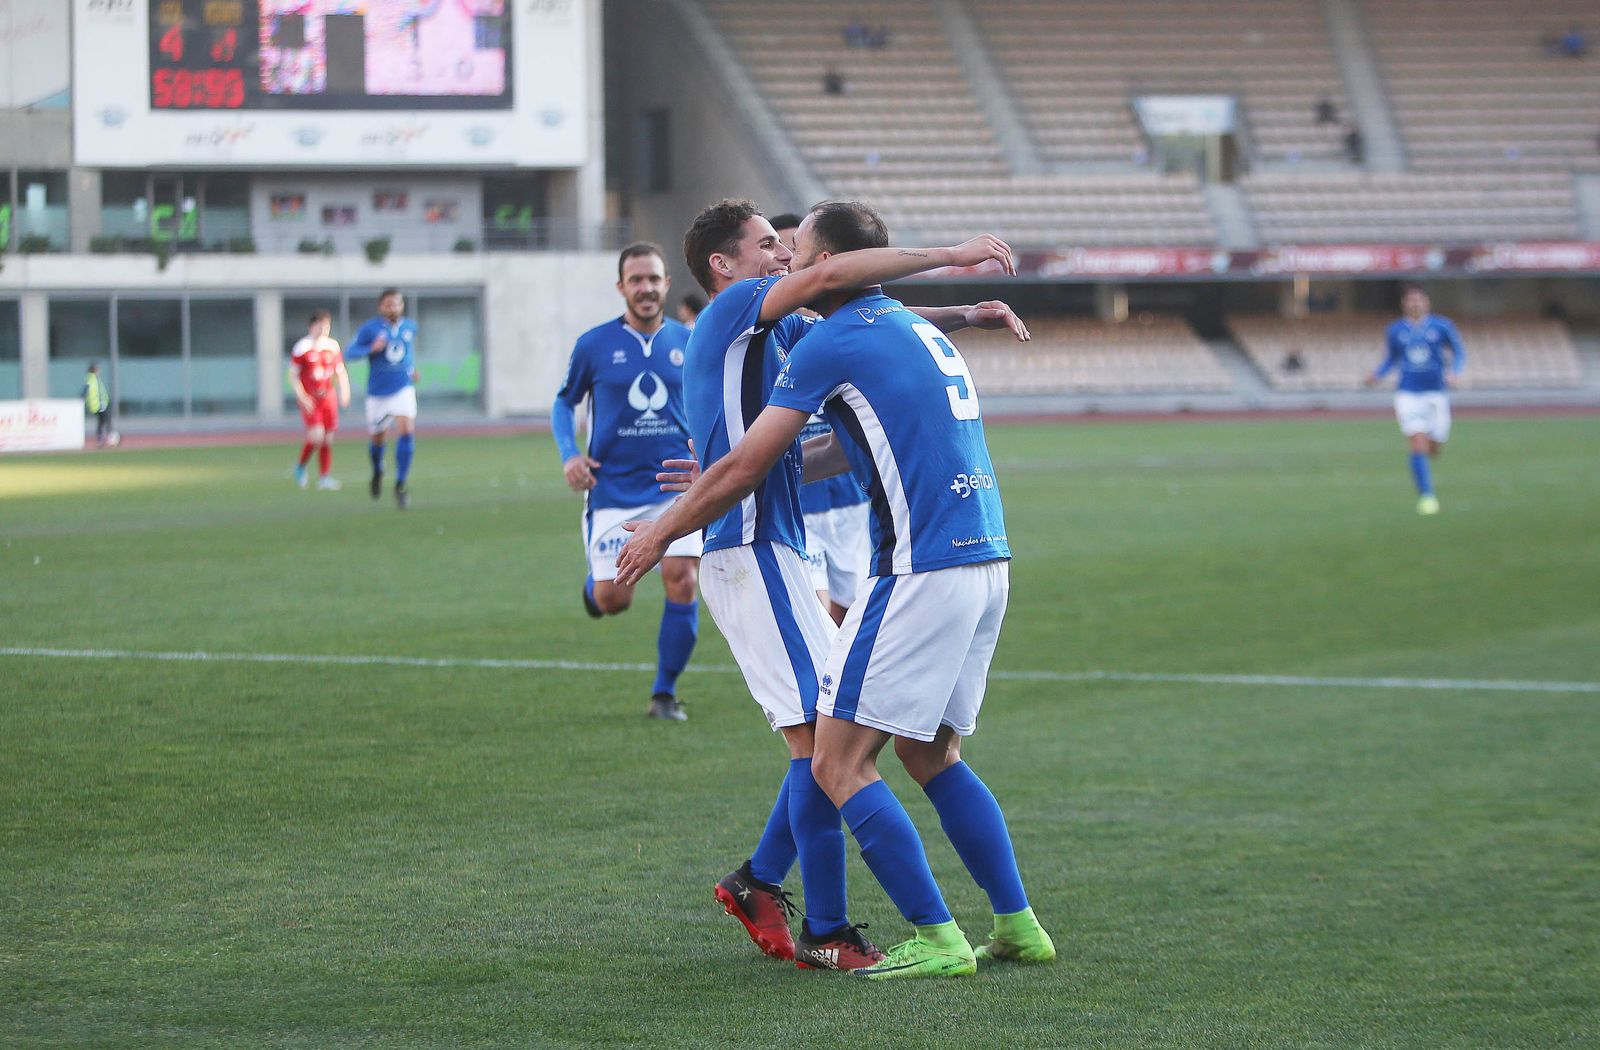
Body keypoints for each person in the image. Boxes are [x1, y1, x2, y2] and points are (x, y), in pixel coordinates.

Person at [621, 200, 1050, 980]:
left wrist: (713, 479)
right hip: (754, 546)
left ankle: (767, 886)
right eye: (768, 246)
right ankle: (821, 922)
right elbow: (846, 290)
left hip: (813, 545)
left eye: (794, 248)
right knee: (836, 748)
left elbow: (816, 428)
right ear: (724, 264)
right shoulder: (736, 310)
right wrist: (958, 271)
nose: (786, 258)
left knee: (841, 748)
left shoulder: (799, 331)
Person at [552, 243, 701, 722]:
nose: (646, 288)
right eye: (636, 280)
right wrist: (569, 455)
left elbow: (707, 403)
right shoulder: (594, 345)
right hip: (613, 491)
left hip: (675, 487)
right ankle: (594, 588)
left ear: (666, 284)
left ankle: (663, 694)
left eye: (654, 279)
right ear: (621, 287)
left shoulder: (690, 341)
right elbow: (562, 403)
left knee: (683, 579)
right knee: (613, 599)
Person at [769, 212, 868, 625]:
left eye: (796, 251)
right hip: (796, 503)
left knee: (849, 620)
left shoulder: (840, 331)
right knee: (816, 616)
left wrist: (964, 314)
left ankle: (836, 690)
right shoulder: (759, 335)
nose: (787, 261)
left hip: (851, 500)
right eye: (780, 251)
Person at [1364, 287, 1464, 515]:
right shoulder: (1395, 330)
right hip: (1408, 394)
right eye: (1411, 300)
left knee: (1434, 446)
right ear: (1404, 304)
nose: (1415, 303)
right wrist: (1377, 374)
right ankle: (1427, 496)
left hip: (1436, 393)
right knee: (1417, 442)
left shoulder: (1442, 326)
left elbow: (1459, 351)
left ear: (1427, 303)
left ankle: (1426, 460)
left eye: (1419, 300)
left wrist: (1455, 372)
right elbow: (1390, 358)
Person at [349, 289, 419, 509]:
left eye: (397, 304)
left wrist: (411, 369)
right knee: (378, 439)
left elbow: (406, 352)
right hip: (378, 392)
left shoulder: (409, 327)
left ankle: (400, 483)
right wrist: (371, 348)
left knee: (406, 430)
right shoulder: (371, 329)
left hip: (403, 389)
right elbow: (349, 353)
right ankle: (378, 470)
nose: (393, 308)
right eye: (389, 304)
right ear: (381, 307)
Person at [289, 310, 350, 491]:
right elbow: (293, 375)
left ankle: (324, 477)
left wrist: (344, 391)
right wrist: (302, 396)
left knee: (327, 438)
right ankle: (300, 466)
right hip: (311, 398)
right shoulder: (302, 347)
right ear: (311, 326)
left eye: (327, 325)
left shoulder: (332, 346)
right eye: (320, 325)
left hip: (328, 397)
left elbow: (340, 371)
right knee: (316, 436)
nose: (323, 329)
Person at [82, 363, 112, 448]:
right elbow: (87, 389)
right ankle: (108, 438)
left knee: (101, 422)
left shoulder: (92, 378)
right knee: (106, 420)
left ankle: (101, 440)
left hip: (97, 404)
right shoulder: (92, 379)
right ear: (95, 370)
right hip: (99, 405)